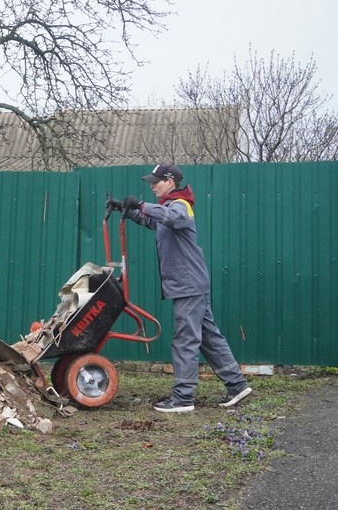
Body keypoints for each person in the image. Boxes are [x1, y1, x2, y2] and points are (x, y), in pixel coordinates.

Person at [107, 164, 252, 413]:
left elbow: (173, 218)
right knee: (208, 336)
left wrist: (140, 204)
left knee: (185, 339)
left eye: (156, 182)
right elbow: (152, 221)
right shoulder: (168, 207)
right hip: (191, 283)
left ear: (170, 181)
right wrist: (126, 209)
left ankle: (183, 398)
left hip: (188, 285)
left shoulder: (181, 205)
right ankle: (237, 385)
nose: (152, 186)